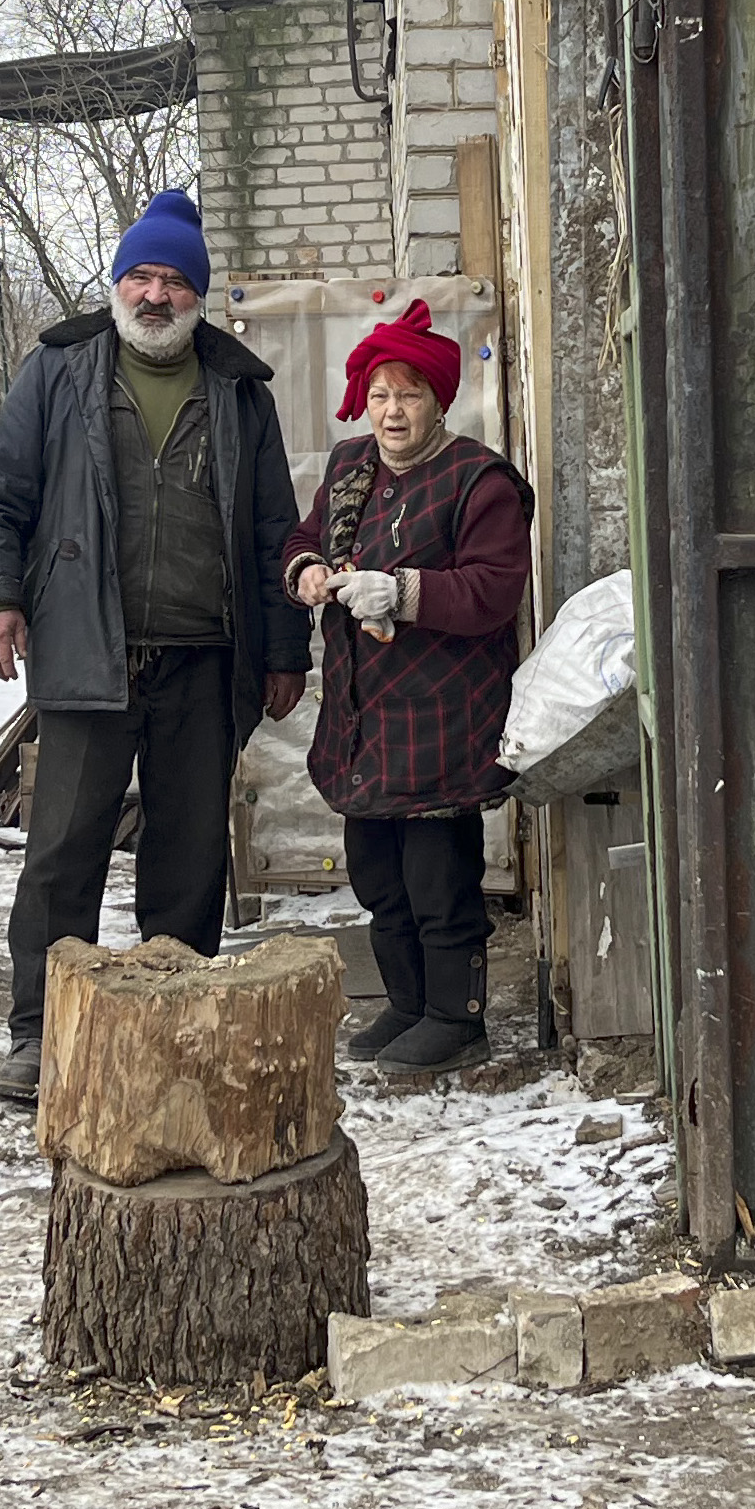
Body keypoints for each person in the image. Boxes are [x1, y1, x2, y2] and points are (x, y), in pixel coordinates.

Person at [0, 189, 310, 1105]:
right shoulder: (60, 370)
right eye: (140, 276)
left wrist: (284, 649)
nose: (155, 294)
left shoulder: (239, 389)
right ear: (118, 284)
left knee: (189, 860)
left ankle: (176, 1024)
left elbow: (276, 529)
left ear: (198, 295)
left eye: (173, 280)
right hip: (85, 656)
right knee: (62, 856)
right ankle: (40, 1037)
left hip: (204, 661)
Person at [279, 298, 531, 1082]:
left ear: (439, 401)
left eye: (410, 394)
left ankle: (457, 1018)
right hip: (362, 718)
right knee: (378, 878)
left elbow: (494, 590)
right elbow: (302, 538)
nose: (393, 410)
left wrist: (406, 594)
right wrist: (309, 572)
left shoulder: (479, 481)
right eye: (381, 393)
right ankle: (407, 1000)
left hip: (442, 718)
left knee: (437, 881)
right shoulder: (350, 467)